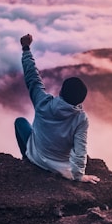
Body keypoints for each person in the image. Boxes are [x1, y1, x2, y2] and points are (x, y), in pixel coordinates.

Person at [14, 34, 100, 184]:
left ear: (61, 91)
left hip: (37, 157)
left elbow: (32, 78)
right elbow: (81, 150)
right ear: (80, 100)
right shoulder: (81, 119)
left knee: (20, 122)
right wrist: (79, 176)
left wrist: (26, 49)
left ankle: (26, 157)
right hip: (61, 168)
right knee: (79, 144)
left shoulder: (43, 102)